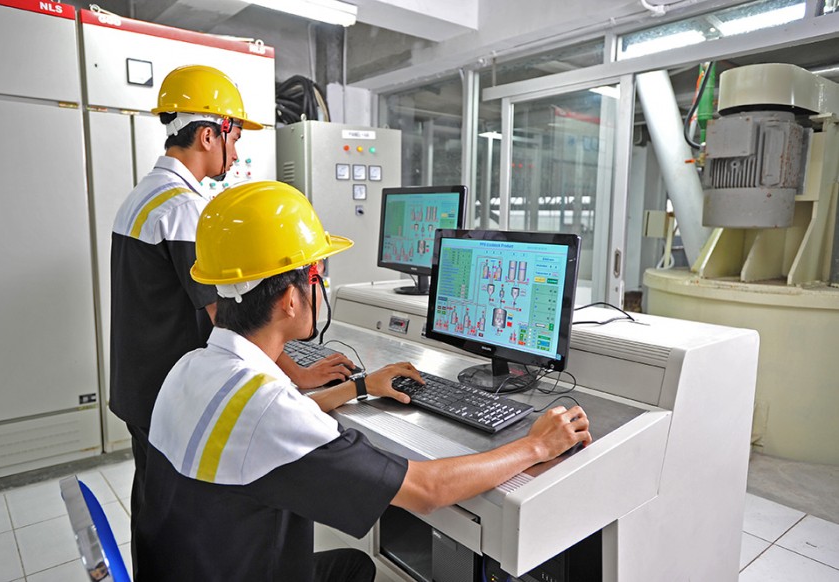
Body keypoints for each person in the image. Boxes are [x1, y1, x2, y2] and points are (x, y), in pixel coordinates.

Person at [136, 181, 592, 582]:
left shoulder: (189, 368)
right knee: (356, 567)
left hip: (193, 566)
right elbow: (427, 491)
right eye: (316, 275)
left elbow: (261, 427)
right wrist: (536, 446)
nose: (321, 287)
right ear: (290, 300)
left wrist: (359, 387)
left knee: (352, 564)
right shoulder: (267, 407)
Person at [109, 66, 356, 575]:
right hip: (172, 394)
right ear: (208, 135)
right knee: (203, 527)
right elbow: (232, 319)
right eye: (235, 136)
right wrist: (300, 376)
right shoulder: (184, 210)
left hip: (146, 389)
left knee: (159, 516)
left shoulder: (141, 197)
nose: (237, 151)